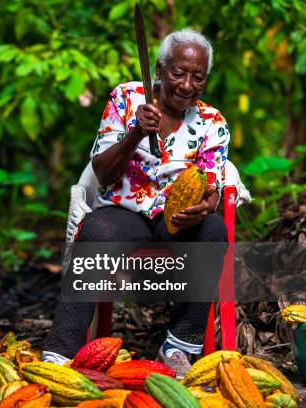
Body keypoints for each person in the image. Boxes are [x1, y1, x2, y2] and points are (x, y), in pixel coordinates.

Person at [43, 29, 230, 378]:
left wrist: (206, 206)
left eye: (197, 77)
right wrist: (136, 133)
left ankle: (178, 345)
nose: (187, 85)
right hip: (123, 210)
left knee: (213, 230)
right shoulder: (125, 98)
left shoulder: (212, 122)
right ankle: (60, 353)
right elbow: (102, 170)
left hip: (174, 219)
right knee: (98, 233)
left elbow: (212, 183)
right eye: (178, 73)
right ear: (159, 69)